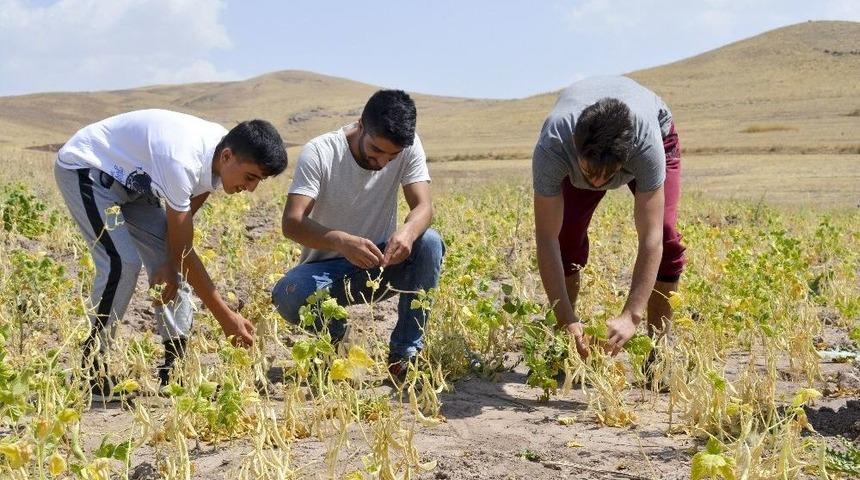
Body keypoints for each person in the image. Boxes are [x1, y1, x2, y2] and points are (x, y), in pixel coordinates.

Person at [54, 109, 288, 401]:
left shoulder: (217, 153)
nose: (251, 188)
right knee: (122, 263)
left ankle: (173, 367)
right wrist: (227, 318)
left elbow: (180, 236)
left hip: (132, 185)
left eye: (258, 182)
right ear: (227, 157)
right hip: (88, 169)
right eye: (250, 177)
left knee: (176, 268)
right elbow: (183, 250)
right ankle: (90, 368)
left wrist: (170, 263)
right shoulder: (182, 162)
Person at [271, 90, 444, 378]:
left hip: (381, 263)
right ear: (361, 124)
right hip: (327, 274)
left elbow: (423, 207)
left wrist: (408, 233)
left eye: (393, 155)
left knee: (429, 242)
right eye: (376, 150)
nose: (383, 162)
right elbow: (292, 222)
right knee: (289, 294)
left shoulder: (408, 148)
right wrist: (341, 241)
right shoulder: (321, 152)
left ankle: (405, 355)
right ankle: (339, 344)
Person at [532, 76, 685, 360]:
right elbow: (546, 237)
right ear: (575, 149)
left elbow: (651, 238)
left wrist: (631, 315)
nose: (600, 182)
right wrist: (566, 319)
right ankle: (566, 342)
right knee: (565, 239)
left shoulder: (646, 145)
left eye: (609, 175)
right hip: (578, 147)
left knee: (665, 234)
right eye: (591, 174)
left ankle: (659, 351)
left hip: (657, 131)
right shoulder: (553, 147)